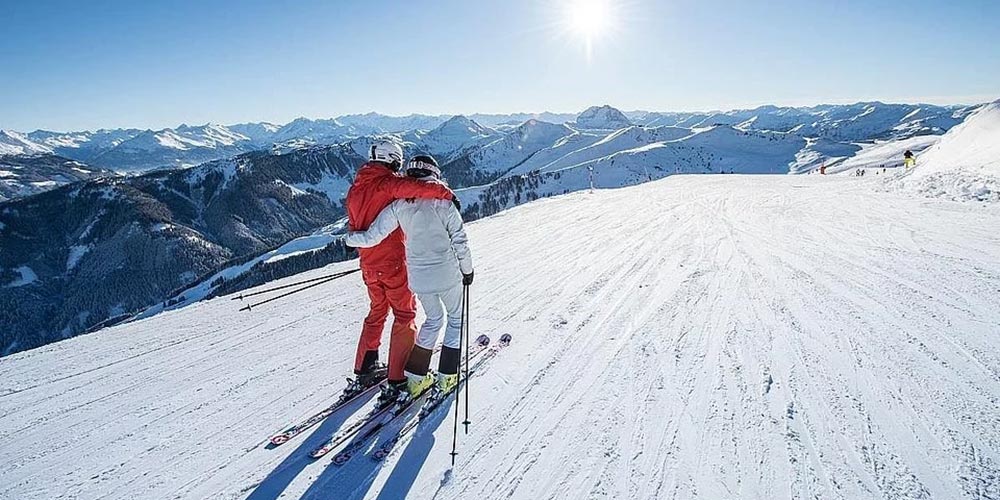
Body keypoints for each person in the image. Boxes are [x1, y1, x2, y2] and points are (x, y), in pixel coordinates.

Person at [346, 154, 474, 401]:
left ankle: (415, 379)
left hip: (418, 278)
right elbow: (460, 241)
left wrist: (349, 240)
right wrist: (467, 271)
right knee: (456, 320)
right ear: (433, 174)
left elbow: (373, 236)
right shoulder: (443, 204)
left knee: (433, 321)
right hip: (447, 273)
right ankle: (447, 376)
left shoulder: (398, 206)